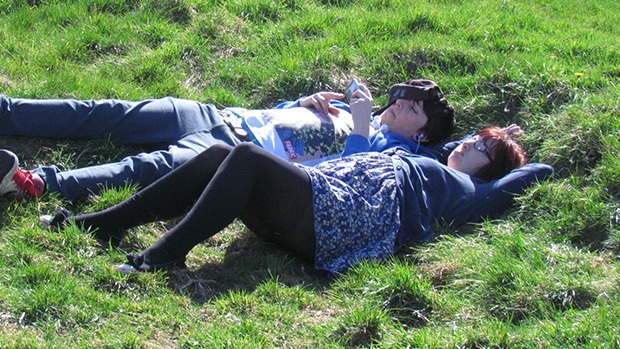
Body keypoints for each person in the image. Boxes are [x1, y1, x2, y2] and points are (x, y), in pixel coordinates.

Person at [42, 85, 554, 275]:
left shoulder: (468, 194)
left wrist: (514, 156)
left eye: (480, 149)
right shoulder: (441, 165)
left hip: (334, 223)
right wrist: (490, 137)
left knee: (242, 155)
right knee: (224, 152)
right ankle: (101, 225)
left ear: (490, 169)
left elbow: (523, 179)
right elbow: (446, 149)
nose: (467, 145)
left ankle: (164, 254)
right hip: (316, 207)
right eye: (470, 139)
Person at [0, 79, 455, 201]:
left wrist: (358, 124)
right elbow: (282, 117)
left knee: (148, 169)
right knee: (110, 113)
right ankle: (8, 110)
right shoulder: (364, 117)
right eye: (401, 97)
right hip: (220, 116)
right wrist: (304, 100)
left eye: (412, 109)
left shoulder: (390, 155)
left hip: (230, 153)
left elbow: (346, 176)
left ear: (423, 133)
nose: (399, 105)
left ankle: (33, 183)